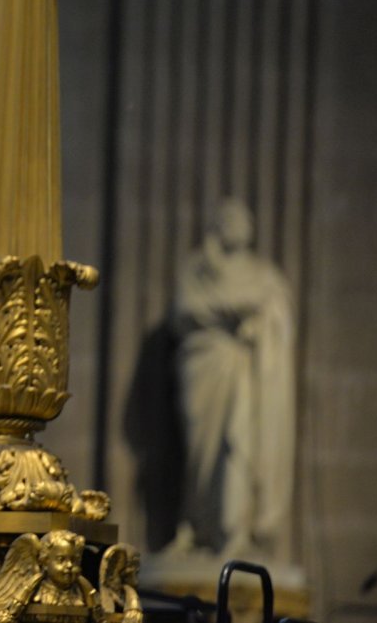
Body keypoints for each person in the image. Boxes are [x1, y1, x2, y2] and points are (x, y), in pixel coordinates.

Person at [167, 198, 295, 559]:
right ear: (218, 226)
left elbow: (276, 313)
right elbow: (183, 311)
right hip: (203, 367)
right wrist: (232, 307)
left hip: (243, 372)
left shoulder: (263, 274)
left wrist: (252, 315)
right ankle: (193, 525)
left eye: (244, 220)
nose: (238, 225)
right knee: (199, 453)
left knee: (237, 446)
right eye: (230, 219)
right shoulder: (197, 269)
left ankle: (234, 529)